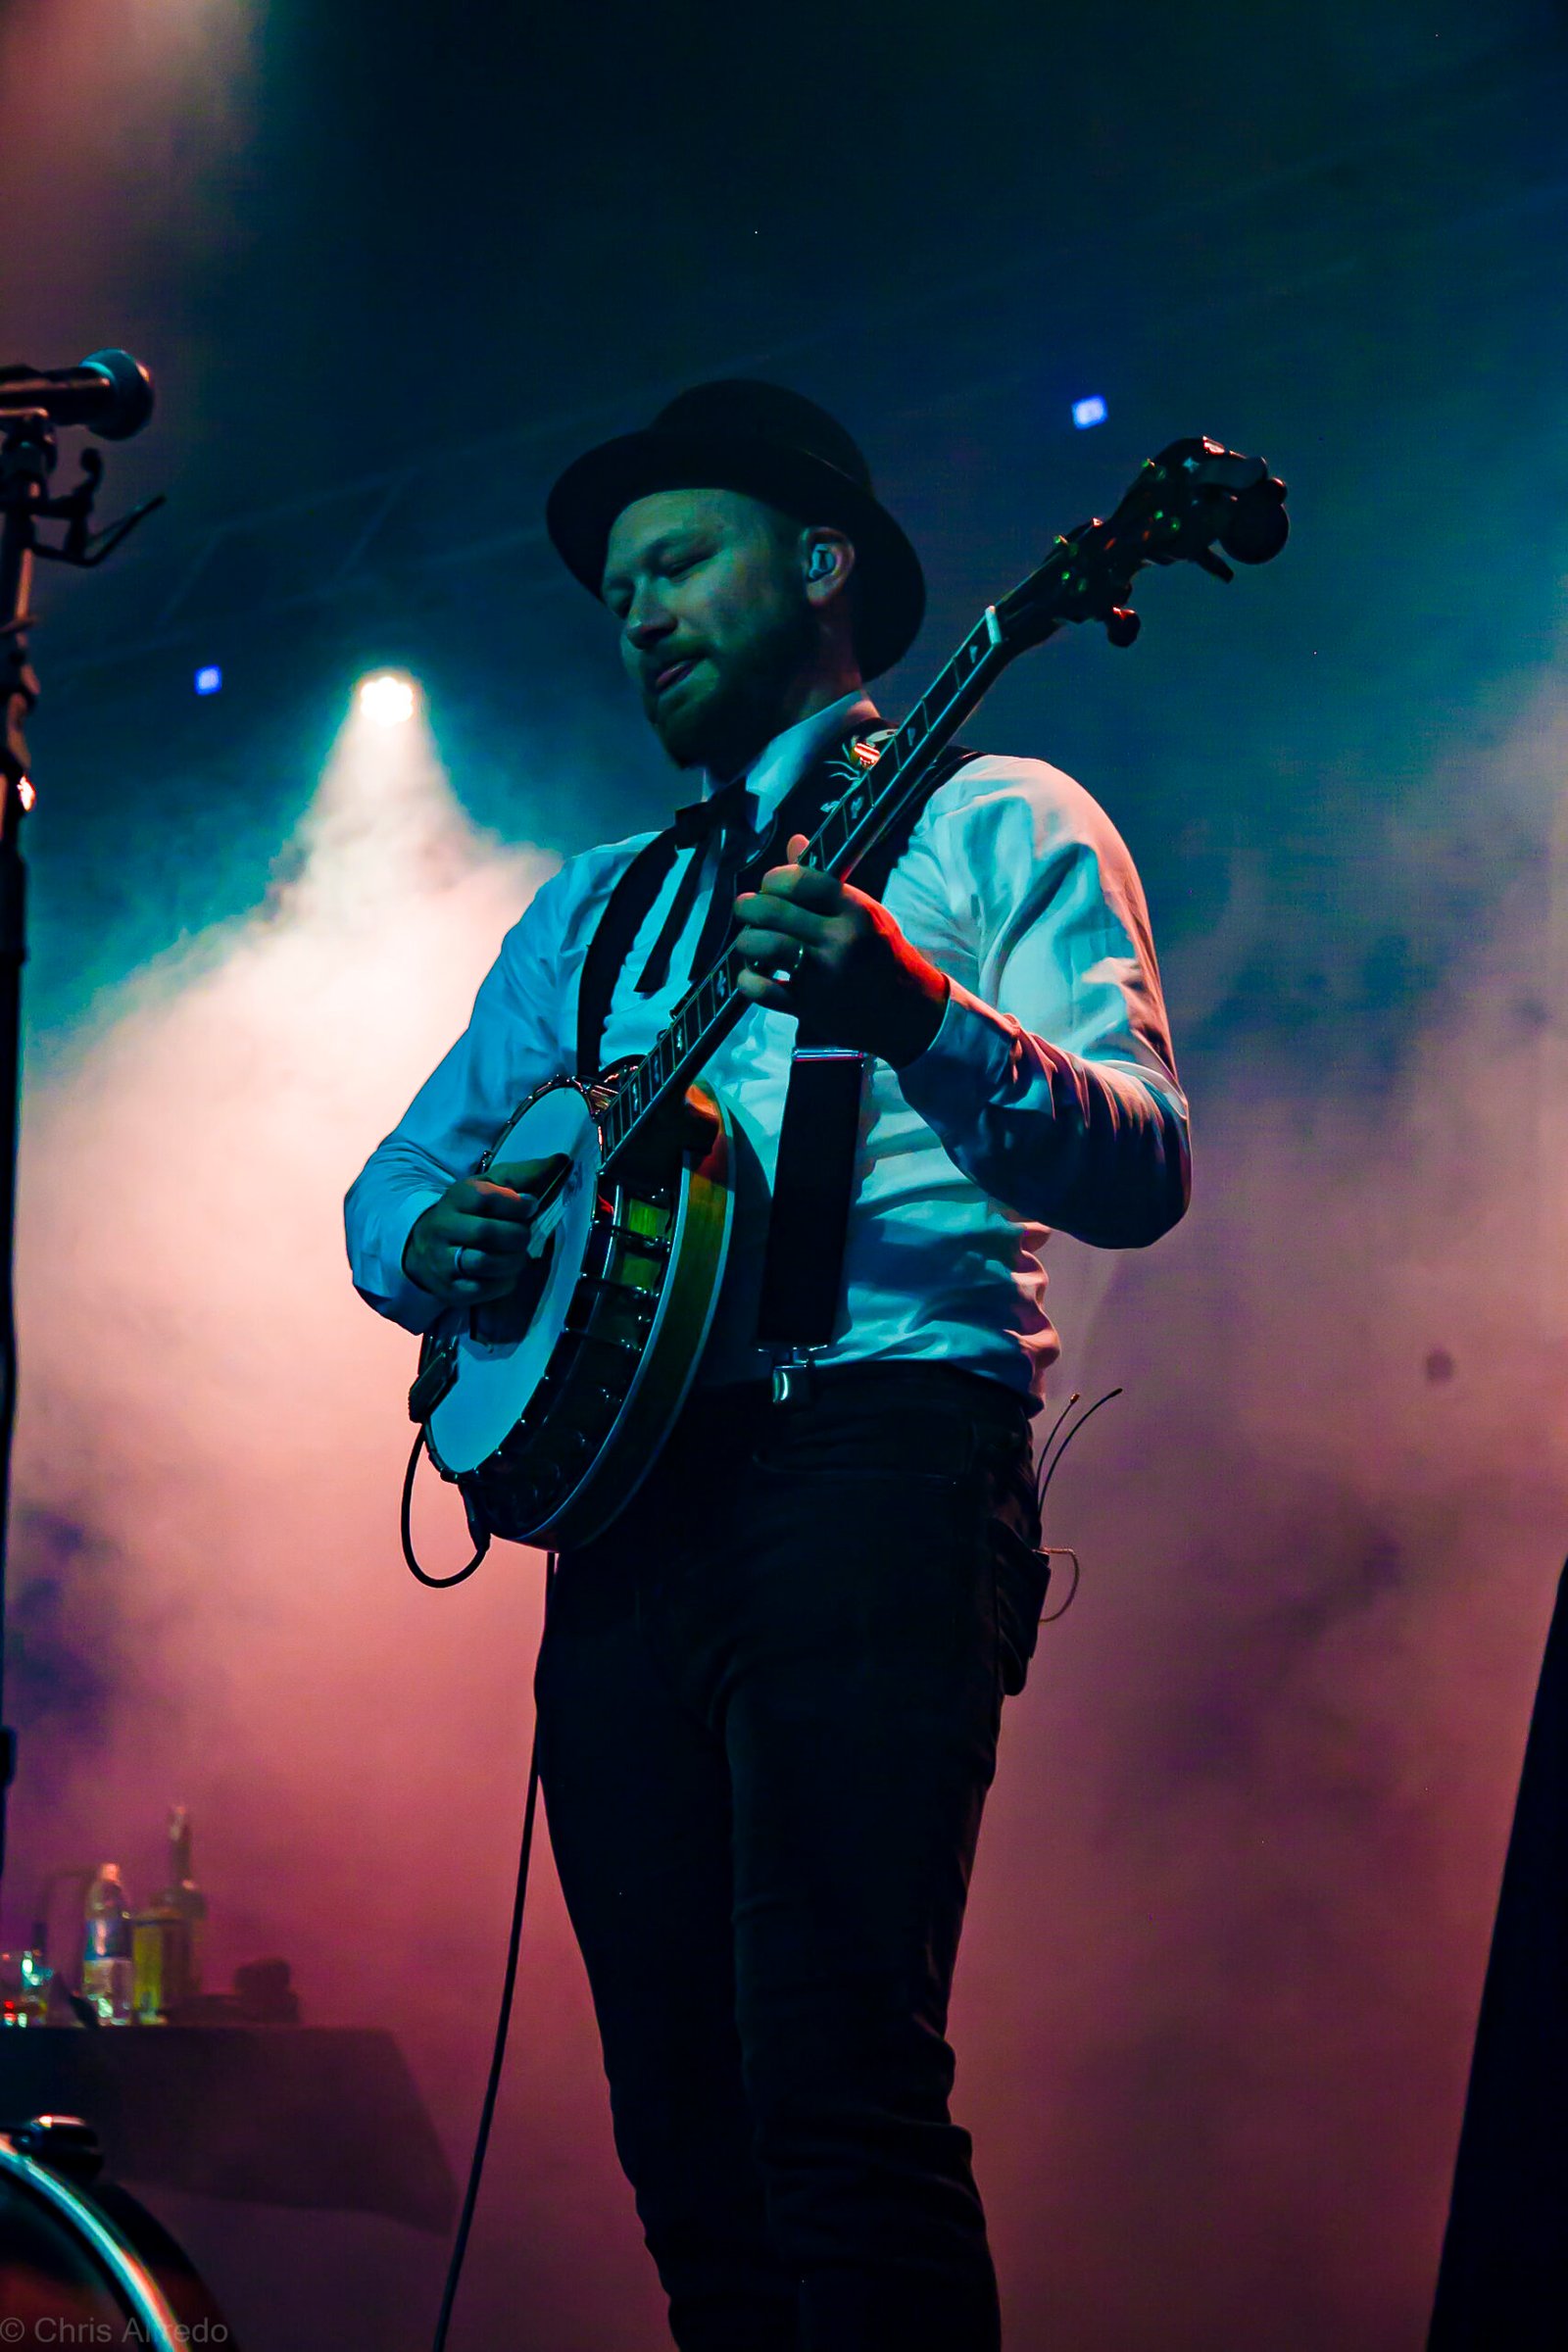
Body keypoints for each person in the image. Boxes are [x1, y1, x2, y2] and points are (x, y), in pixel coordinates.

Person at [345, 380, 1190, 2351]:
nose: (635, 612)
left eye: (676, 562)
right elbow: (396, 1181)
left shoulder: (997, 815)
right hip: (628, 1518)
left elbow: (1142, 1163)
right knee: (682, 2140)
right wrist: (433, 1249)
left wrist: (914, 1010)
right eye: (615, 591)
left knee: (838, 2097)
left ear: (819, 565)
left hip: (873, 1465)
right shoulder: (596, 902)